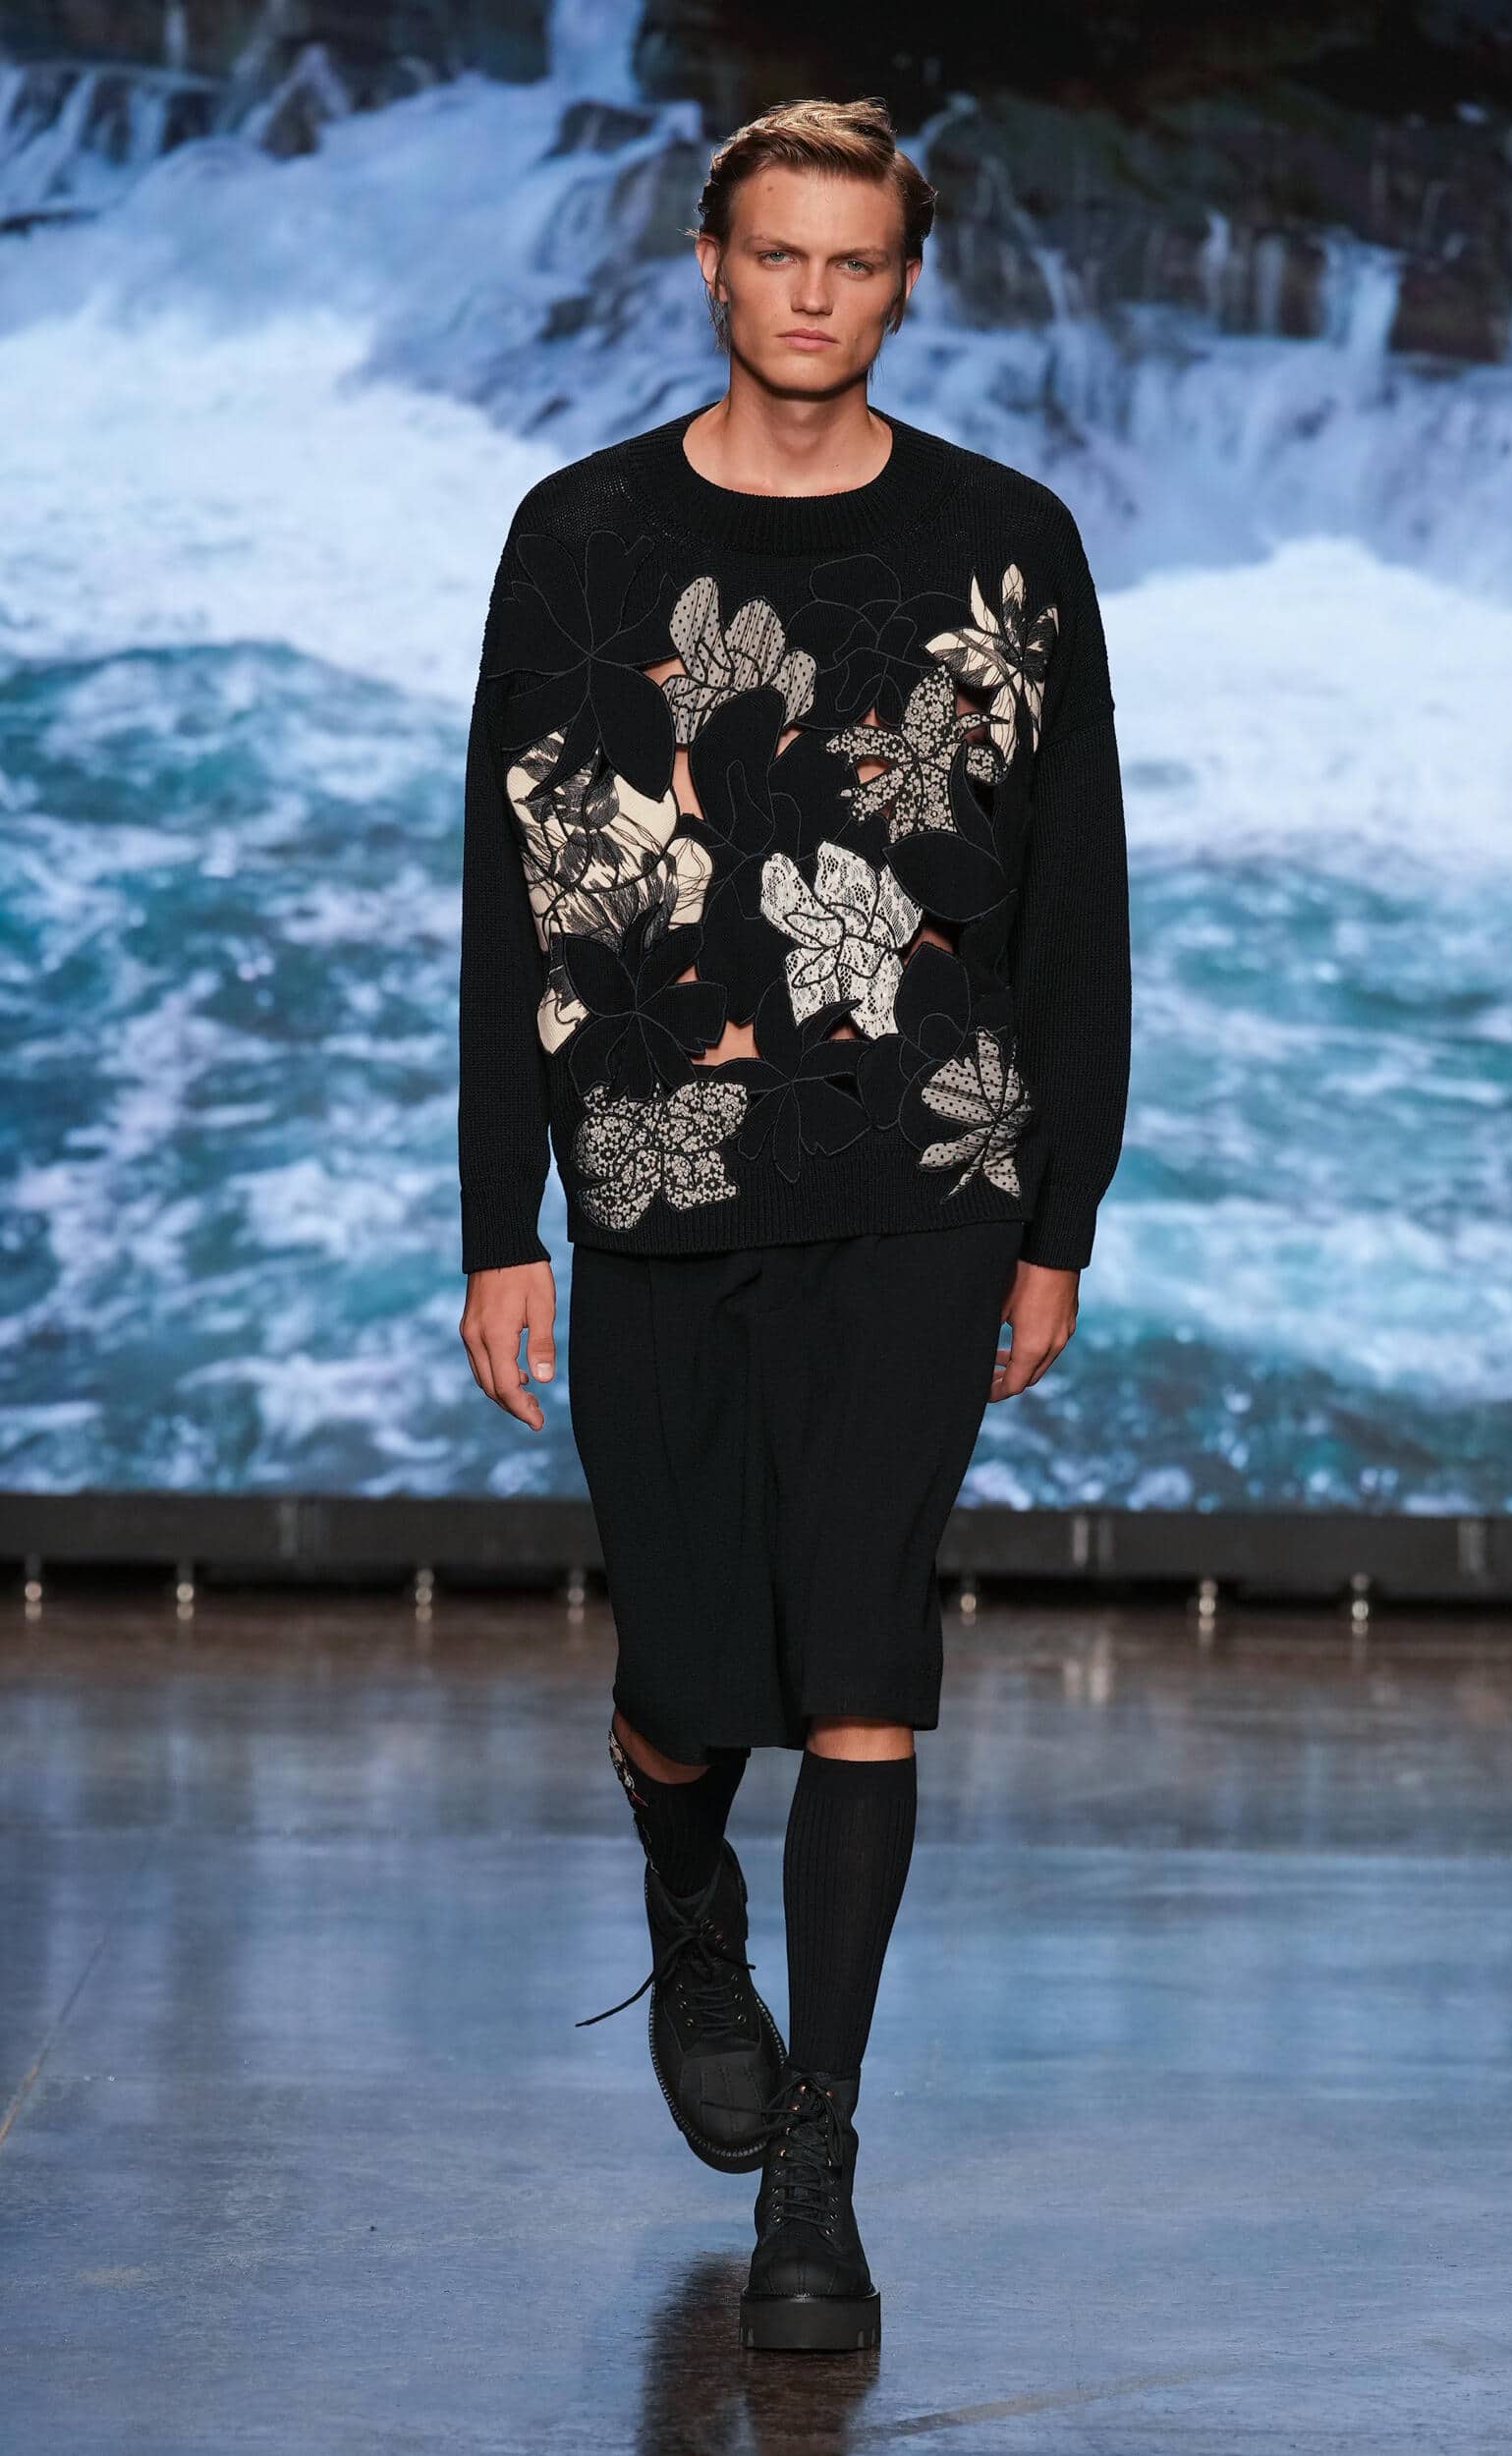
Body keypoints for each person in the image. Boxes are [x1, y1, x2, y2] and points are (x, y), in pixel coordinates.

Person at [456, 94, 1131, 2354]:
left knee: (861, 1657)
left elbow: (1076, 901)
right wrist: (496, 1214)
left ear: (903, 281)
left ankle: (818, 2169)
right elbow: (509, 893)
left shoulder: (1008, 541)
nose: (815, 293)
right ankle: (684, 1886)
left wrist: (1059, 1214)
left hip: (927, 1167)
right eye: (780, 254)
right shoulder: (580, 536)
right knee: (683, 1679)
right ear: (713, 263)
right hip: (653, 1165)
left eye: (855, 259)